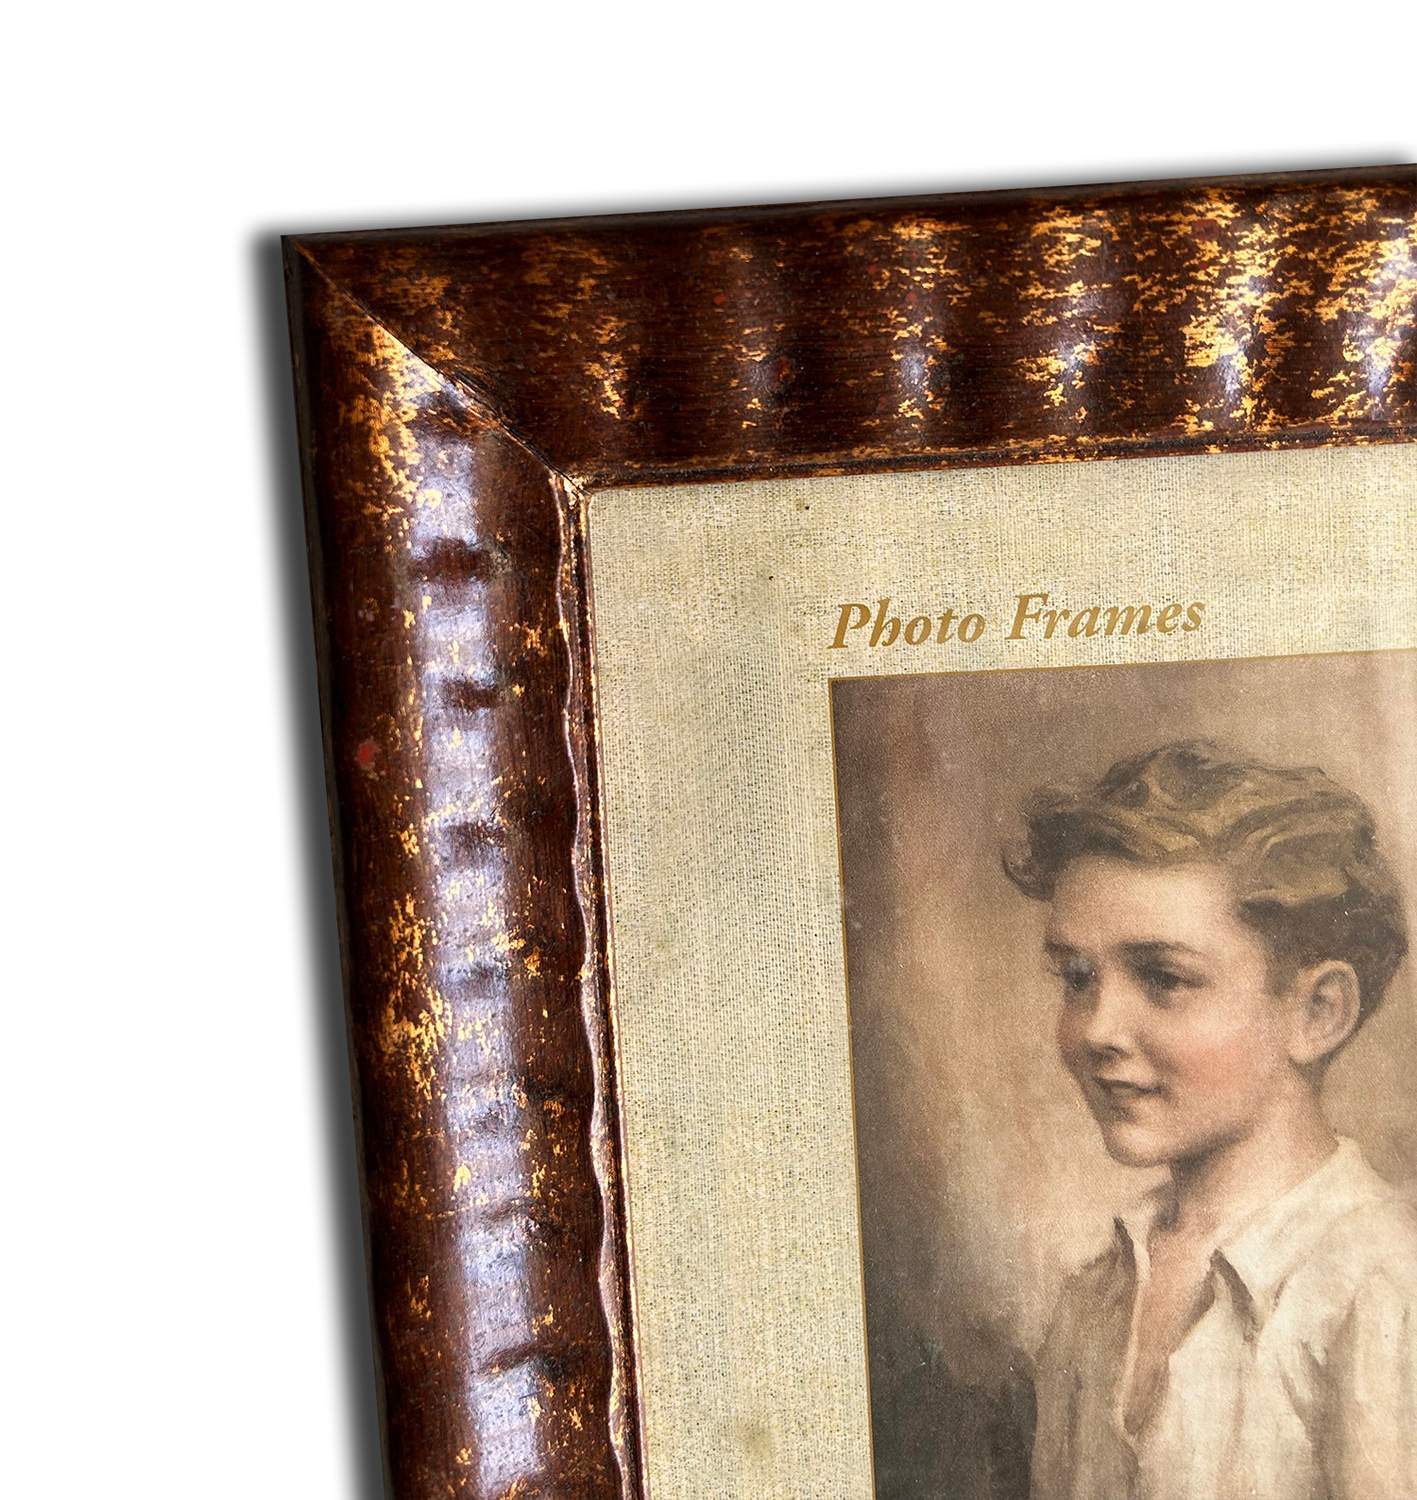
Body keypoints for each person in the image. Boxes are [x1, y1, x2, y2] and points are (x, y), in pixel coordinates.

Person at [1004, 741, 1417, 1500]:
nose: (1097, 1029)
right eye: (1077, 977)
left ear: (1317, 1012)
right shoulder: (1094, 1298)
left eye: (1163, 978)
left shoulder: (1382, 1286)